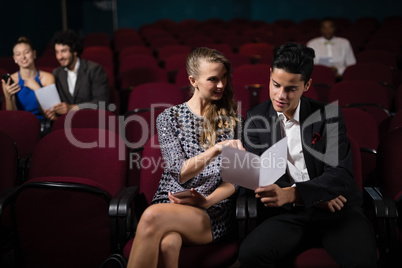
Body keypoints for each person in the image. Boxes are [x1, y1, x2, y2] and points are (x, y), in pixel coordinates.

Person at [238, 43, 377, 267]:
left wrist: (295, 194)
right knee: (250, 255)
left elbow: (340, 174)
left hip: (337, 211)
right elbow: (262, 175)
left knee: (361, 261)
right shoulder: (254, 119)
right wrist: (314, 197)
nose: (280, 95)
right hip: (289, 214)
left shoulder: (328, 116)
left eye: (291, 88)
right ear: (270, 75)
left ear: (307, 85)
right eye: (276, 85)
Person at [127, 47, 243, 268]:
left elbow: (234, 182)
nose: (221, 85)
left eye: (224, 77)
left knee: (151, 217)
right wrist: (215, 150)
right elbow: (179, 172)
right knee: (168, 244)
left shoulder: (234, 122)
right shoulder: (168, 118)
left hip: (213, 211)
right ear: (193, 80)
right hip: (170, 201)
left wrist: (207, 201)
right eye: (213, 79)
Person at [44, 29, 110, 120]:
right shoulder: (57, 73)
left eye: (63, 51)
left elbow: (101, 103)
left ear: (74, 51)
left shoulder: (95, 70)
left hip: (91, 121)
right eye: (57, 52)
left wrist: (72, 108)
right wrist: (53, 113)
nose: (59, 57)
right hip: (67, 123)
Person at [1, 36, 55, 121]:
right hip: (20, 123)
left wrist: (37, 89)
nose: (23, 57)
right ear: (15, 58)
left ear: (34, 54)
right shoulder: (10, 80)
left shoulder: (47, 78)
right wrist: (8, 97)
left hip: (43, 124)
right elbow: (11, 117)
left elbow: (51, 114)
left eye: (26, 52)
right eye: (18, 54)